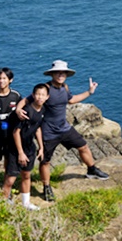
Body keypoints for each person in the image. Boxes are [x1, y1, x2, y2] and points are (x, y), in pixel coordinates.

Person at [16, 59, 108, 202]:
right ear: (52, 74)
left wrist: (89, 92)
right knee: (45, 161)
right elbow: (27, 100)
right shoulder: (45, 89)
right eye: (57, 72)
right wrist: (17, 110)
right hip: (48, 132)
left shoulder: (64, 87)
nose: (61, 75)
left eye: (63, 72)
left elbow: (71, 100)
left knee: (83, 146)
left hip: (65, 128)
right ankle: (47, 187)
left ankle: (91, 170)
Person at [1, 82, 49, 210]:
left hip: (30, 148)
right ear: (33, 95)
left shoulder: (43, 110)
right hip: (15, 148)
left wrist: (41, 146)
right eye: (37, 94)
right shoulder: (25, 112)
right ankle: (2, 202)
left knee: (26, 175)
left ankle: (26, 203)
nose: (40, 97)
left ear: (47, 97)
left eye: (43, 95)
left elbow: (37, 128)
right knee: (11, 178)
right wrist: (20, 153)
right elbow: (16, 132)